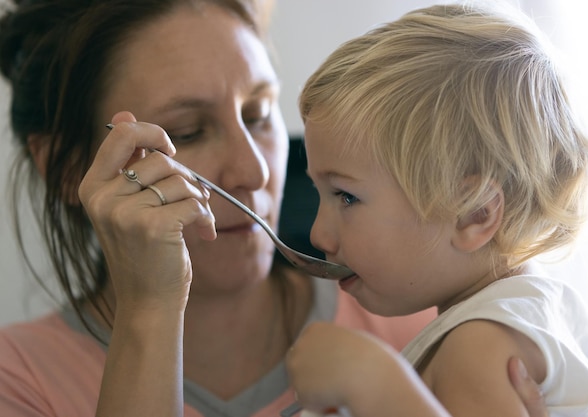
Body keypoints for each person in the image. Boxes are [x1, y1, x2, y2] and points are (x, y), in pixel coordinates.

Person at [0, 1, 549, 416]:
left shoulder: (429, 322)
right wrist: (148, 309)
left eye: (260, 114)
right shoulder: (19, 379)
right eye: (188, 132)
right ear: (69, 170)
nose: (256, 171)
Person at [286, 3, 588, 417]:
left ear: (474, 213)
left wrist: (373, 380)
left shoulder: (479, 343)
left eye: (346, 197)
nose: (318, 235)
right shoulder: (542, 308)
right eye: (320, 193)